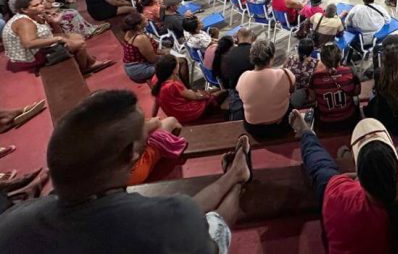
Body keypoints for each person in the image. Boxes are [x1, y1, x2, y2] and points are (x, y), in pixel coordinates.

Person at [0, 90, 250, 253]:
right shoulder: (171, 219)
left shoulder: (13, 223)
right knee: (214, 225)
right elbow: (178, 221)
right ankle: (239, 179)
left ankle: (232, 174)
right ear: (131, 154)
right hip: (180, 232)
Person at [289, 99, 398, 253]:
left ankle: (306, 135)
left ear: (360, 181)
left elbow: (333, 180)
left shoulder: (339, 200)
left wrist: (355, 175)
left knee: (323, 172)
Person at [2, 0, 113, 74]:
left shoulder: (37, 14)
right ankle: (84, 68)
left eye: (41, 3)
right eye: (35, 5)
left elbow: (57, 33)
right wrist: (58, 39)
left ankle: (90, 63)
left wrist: (55, 23)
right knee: (79, 43)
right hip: (30, 55)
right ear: (24, 10)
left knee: (77, 37)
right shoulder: (24, 22)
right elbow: (28, 43)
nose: (41, 6)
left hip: (39, 46)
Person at [236, 40, 294, 138]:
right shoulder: (285, 74)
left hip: (253, 128)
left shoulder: (243, 77)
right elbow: (292, 90)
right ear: (272, 58)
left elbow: (241, 96)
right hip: (280, 126)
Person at [151, 55, 224, 123]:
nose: (179, 65)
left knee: (211, 90)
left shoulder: (156, 80)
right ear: (173, 70)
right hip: (189, 114)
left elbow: (156, 102)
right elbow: (195, 97)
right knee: (223, 92)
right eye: (178, 64)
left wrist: (152, 117)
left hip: (177, 116)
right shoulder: (172, 85)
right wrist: (207, 95)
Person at [366, 44, 398, 136]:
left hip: (385, 117)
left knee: (372, 95)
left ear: (385, 61)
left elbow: (379, 95)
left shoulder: (379, 74)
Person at [308, 43, 361, 129]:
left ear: (322, 60)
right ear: (340, 57)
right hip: (348, 120)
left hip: (325, 123)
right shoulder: (350, 72)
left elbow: (312, 98)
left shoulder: (315, 77)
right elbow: (357, 92)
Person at [121, 13, 186, 83]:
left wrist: (165, 52)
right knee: (180, 61)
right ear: (138, 25)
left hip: (139, 63)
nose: (147, 19)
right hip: (139, 68)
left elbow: (151, 51)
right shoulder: (140, 38)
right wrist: (168, 57)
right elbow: (153, 59)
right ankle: (184, 88)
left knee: (170, 54)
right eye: (144, 19)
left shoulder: (133, 32)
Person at [220, 28, 256, 121]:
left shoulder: (227, 54)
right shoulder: (256, 53)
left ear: (237, 38)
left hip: (235, 92)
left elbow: (225, 78)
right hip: (254, 89)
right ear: (251, 37)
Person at [285, 39, 319, 108]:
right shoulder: (315, 64)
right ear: (312, 51)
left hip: (288, 90)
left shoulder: (290, 59)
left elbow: (283, 70)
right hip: (304, 93)